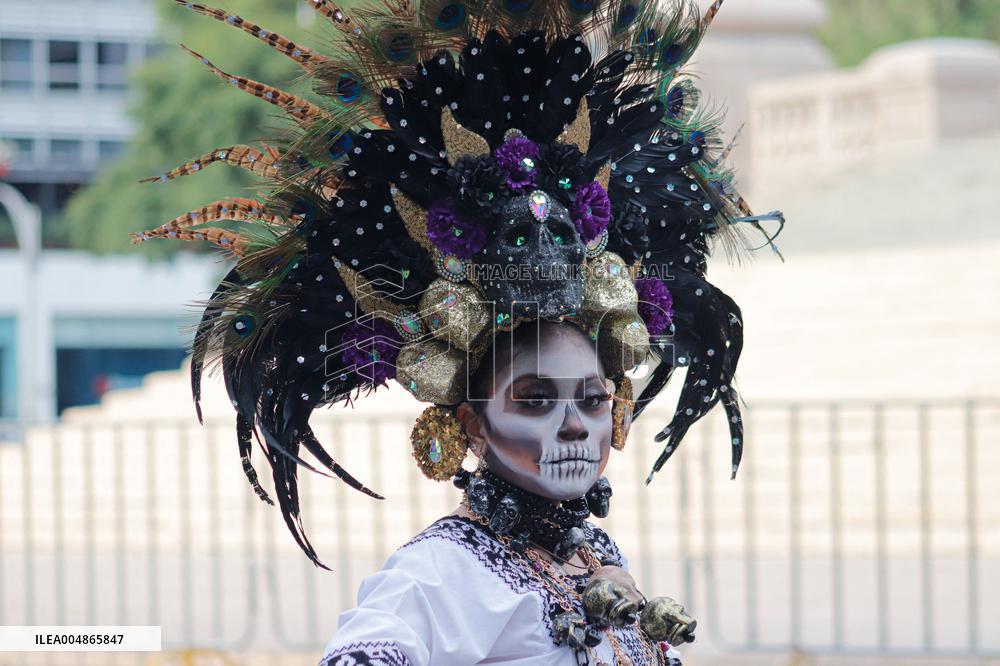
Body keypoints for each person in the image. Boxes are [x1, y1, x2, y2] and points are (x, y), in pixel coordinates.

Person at [132, 0, 784, 663]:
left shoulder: (593, 555)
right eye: (534, 399)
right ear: (470, 427)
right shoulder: (441, 574)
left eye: (591, 398)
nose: (574, 425)